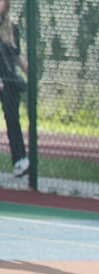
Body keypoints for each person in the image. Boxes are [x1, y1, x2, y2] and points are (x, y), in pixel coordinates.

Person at [0, 0, 28, 177]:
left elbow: (17, 57)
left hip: (9, 82)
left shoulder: (12, 28)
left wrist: (29, 71)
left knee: (13, 121)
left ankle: (20, 161)